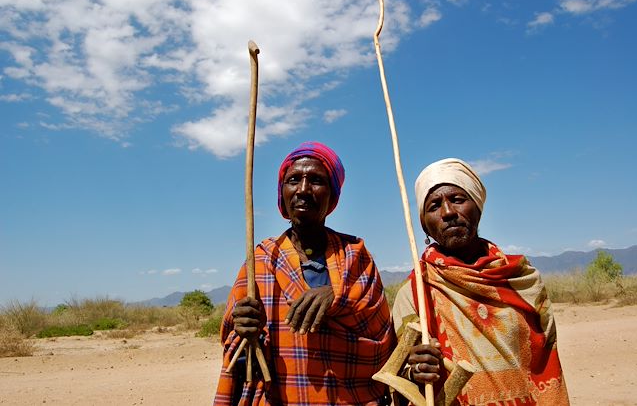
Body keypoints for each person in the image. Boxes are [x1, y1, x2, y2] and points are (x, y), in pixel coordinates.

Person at [214, 141, 396, 405]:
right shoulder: (262, 260)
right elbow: (242, 364)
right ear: (282, 193)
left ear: (332, 195)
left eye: (316, 180)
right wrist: (247, 334)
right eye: (294, 180)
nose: (303, 190)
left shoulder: (356, 256)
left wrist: (336, 297)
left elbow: (380, 341)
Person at [392, 158, 569, 405]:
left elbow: (546, 360)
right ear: (425, 226)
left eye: (457, 199)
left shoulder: (522, 281)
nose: (448, 213)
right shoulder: (414, 293)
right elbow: (399, 376)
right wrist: (416, 369)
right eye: (434, 206)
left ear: (477, 206)